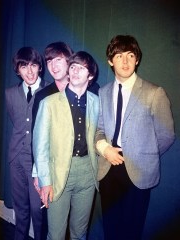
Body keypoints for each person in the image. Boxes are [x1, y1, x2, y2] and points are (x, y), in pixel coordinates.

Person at [95, 35, 175, 240]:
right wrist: (104, 149)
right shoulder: (102, 93)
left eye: (130, 55)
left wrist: (144, 154)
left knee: (131, 231)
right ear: (110, 61)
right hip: (107, 168)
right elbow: (99, 128)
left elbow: (166, 134)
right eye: (119, 56)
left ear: (137, 59)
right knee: (110, 229)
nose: (125, 61)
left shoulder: (154, 93)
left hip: (139, 173)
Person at [32, 51, 99, 240]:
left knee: (80, 233)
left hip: (87, 173)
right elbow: (40, 147)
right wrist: (45, 181)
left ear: (91, 75)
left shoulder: (96, 102)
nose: (75, 71)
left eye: (81, 67)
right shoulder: (49, 103)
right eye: (73, 66)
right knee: (56, 235)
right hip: (58, 174)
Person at [5, 47, 49, 240]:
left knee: (38, 212)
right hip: (16, 160)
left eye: (33, 65)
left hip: (38, 162)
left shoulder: (50, 90)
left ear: (40, 67)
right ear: (18, 70)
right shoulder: (10, 94)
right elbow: (17, 122)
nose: (29, 71)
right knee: (20, 209)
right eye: (24, 66)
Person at [32, 42, 100, 128]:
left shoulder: (92, 89)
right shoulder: (42, 96)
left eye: (58, 60)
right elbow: (37, 136)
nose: (53, 66)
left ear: (69, 61)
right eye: (49, 61)